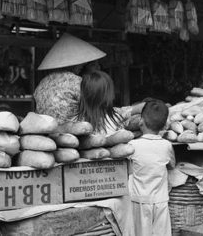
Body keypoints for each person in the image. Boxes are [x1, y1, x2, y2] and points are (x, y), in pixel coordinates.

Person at [128, 99, 176, 236]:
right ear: (164, 125)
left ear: (141, 121)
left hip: (139, 201)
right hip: (160, 201)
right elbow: (172, 165)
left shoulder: (132, 145)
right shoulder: (166, 145)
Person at [75, 70, 144, 135]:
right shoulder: (114, 117)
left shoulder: (76, 121)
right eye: (111, 91)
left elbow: (133, 109)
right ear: (103, 96)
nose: (113, 94)